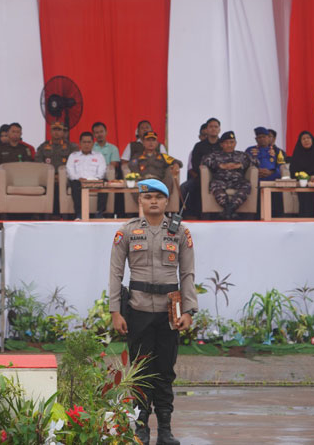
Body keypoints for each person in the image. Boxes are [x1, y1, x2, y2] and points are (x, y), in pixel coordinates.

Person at [110, 178, 196, 445]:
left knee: (165, 371)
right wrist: (115, 311)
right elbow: (115, 273)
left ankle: (166, 430)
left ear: (167, 201)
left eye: (159, 197)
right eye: (148, 198)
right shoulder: (127, 232)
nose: (154, 201)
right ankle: (141, 428)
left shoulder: (180, 232)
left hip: (170, 313)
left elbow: (188, 273)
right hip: (138, 310)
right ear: (140, 202)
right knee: (139, 369)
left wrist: (189, 310)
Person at [202, 131, 254, 219]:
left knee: (247, 185)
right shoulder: (215, 155)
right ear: (221, 144)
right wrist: (219, 165)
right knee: (215, 186)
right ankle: (229, 210)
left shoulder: (241, 155)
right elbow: (204, 161)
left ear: (235, 143)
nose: (229, 145)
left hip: (237, 181)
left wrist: (241, 164)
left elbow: (255, 162)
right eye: (226, 143)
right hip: (220, 181)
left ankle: (229, 210)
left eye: (231, 142)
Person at [181, 117, 222, 217]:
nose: (213, 129)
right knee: (183, 188)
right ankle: (187, 215)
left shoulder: (223, 144)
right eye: (211, 127)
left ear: (219, 129)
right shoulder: (199, 146)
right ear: (207, 129)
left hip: (220, 178)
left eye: (216, 127)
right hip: (201, 177)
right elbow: (195, 165)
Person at [66, 131, 107, 218]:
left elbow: (102, 171)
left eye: (89, 142)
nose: (86, 145)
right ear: (80, 143)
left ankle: (99, 212)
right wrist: (78, 178)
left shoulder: (99, 156)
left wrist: (94, 179)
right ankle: (79, 213)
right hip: (79, 182)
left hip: (94, 182)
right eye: (84, 142)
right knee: (74, 183)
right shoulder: (73, 156)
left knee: (105, 182)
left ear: (93, 143)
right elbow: (70, 171)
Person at [128, 131, 182, 196]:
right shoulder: (137, 156)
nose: (151, 143)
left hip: (159, 184)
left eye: (153, 140)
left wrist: (176, 165)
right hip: (143, 184)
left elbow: (178, 162)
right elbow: (132, 168)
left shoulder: (163, 156)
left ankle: (161, 197)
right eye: (148, 140)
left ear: (157, 143)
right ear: (143, 143)